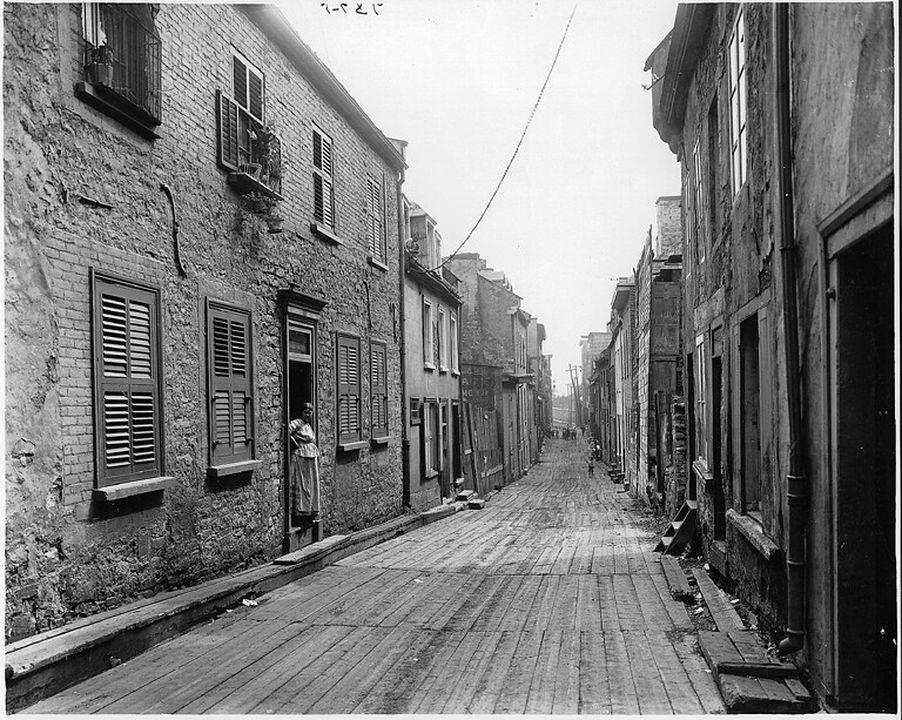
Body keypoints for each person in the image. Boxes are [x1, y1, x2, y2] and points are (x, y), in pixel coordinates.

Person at [289, 402, 320, 519]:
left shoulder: (307, 425)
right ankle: (300, 513)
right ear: (301, 412)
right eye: (305, 412)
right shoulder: (297, 423)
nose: (308, 415)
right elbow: (287, 430)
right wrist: (295, 443)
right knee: (302, 485)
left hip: (310, 457)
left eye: (310, 412)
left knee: (311, 484)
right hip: (301, 457)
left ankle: (310, 511)